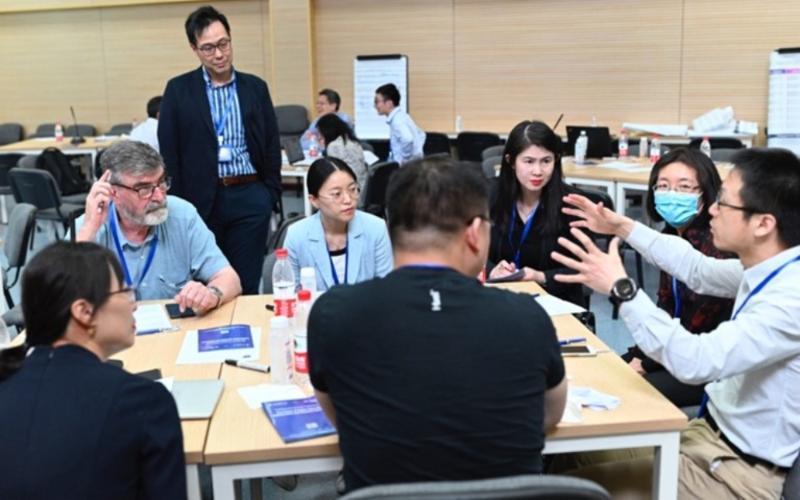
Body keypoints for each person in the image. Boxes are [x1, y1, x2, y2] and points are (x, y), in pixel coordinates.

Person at [550, 148, 800, 498]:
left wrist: (622, 289)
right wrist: (621, 225)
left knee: (569, 491)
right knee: (571, 452)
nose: (712, 209)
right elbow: (698, 270)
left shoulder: (790, 299)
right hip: (706, 439)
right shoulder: (768, 267)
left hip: (738, 475)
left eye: (723, 203)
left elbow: (697, 360)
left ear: (763, 224)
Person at [308, 156, 567, 494]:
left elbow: (342, 418)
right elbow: (549, 417)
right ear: (475, 233)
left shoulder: (333, 315)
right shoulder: (528, 318)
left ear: (392, 227)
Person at [0, 241, 186, 499]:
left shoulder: (8, 381)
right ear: (84, 312)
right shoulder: (143, 402)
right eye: (124, 291)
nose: (133, 305)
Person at [158, 5, 281, 295]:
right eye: (209, 48)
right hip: (200, 202)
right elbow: (169, 151)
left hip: (249, 195)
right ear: (194, 49)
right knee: (206, 284)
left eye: (223, 43)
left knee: (247, 281)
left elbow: (271, 144)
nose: (219, 54)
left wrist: (269, 194)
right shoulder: (178, 90)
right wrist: (178, 204)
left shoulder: (255, 88)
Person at [621, 148, 734, 408]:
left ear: (706, 195)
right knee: (611, 370)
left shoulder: (716, 244)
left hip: (707, 364)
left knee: (630, 392)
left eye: (684, 188)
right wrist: (639, 354)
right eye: (663, 186)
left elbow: (699, 325)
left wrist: (646, 363)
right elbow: (667, 307)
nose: (671, 195)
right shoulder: (671, 235)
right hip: (672, 350)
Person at [76, 140, 241, 315]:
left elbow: (230, 279)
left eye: (161, 182)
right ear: (113, 193)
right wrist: (88, 231)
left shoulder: (182, 215)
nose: (159, 197)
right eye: (144, 189)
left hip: (173, 334)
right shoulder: (88, 225)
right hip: (111, 335)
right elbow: (57, 298)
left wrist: (211, 294)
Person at [488, 120, 584, 306]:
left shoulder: (572, 203)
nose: (537, 171)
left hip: (555, 304)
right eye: (529, 161)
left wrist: (540, 277)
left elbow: (584, 270)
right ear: (511, 161)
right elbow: (461, 250)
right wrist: (492, 270)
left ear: (555, 161)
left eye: (546, 161)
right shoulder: (487, 194)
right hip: (496, 300)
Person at [284, 157, 392, 292]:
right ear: (314, 200)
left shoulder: (376, 228)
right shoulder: (297, 235)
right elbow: (289, 295)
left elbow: (387, 289)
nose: (348, 200)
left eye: (353, 189)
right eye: (336, 194)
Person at [317, 113, 367, 206]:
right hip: (364, 191)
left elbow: (332, 175)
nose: (319, 136)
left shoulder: (334, 146)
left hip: (351, 195)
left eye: (320, 133)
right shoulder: (353, 142)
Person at [374, 83, 425, 164]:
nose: (375, 106)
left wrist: (405, 160)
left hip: (405, 170)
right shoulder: (402, 116)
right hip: (414, 166)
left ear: (389, 103)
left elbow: (408, 139)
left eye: (377, 102)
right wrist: (417, 154)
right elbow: (421, 134)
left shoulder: (397, 121)